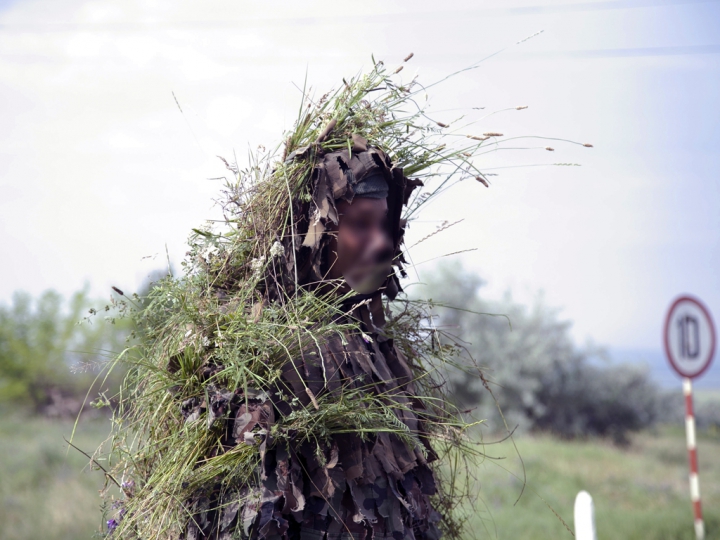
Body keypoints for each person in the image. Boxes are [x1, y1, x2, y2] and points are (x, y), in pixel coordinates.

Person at [183, 139, 443, 540]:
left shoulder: (378, 350)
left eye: (384, 225)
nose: (383, 243)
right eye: (361, 224)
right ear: (313, 230)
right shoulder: (260, 354)